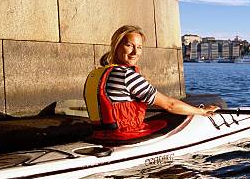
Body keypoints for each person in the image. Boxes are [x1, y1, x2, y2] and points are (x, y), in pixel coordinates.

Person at [84, 25, 219, 140]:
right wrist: (201, 111)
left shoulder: (95, 74)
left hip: (99, 135)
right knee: (173, 118)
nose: (135, 52)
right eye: (129, 45)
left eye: (139, 47)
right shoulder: (126, 75)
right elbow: (170, 105)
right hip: (124, 137)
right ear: (116, 46)